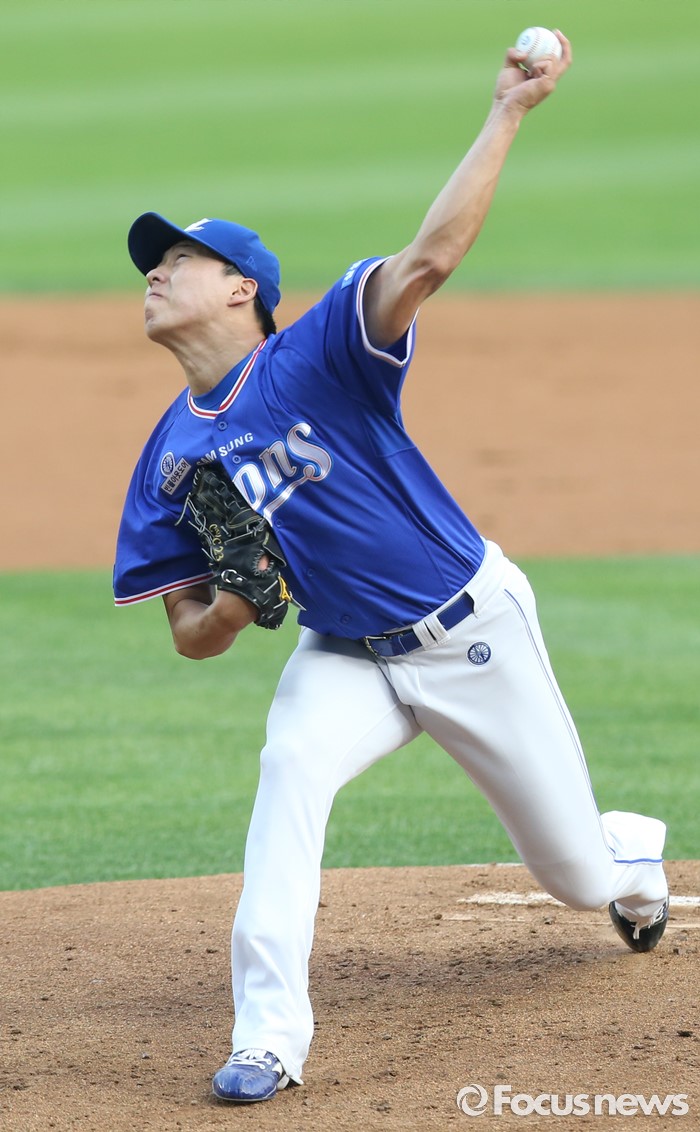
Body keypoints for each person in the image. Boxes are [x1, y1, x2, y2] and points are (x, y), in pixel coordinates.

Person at [114, 32, 669, 1106]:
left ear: (241, 290)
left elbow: (425, 262)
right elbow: (190, 630)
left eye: (180, 258)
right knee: (289, 767)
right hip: (345, 654)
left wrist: (508, 110)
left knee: (574, 876)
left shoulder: (318, 352)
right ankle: (268, 1037)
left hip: (470, 628)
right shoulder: (168, 459)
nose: (156, 270)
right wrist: (238, 599)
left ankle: (631, 856)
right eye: (155, 259)